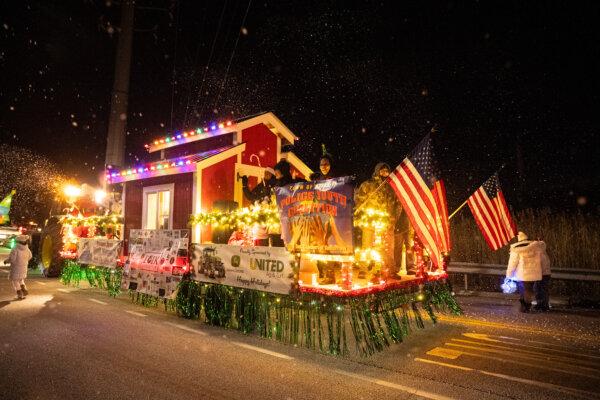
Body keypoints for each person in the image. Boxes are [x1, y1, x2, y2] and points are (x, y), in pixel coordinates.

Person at [354, 162, 401, 280]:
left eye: (386, 170)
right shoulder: (367, 185)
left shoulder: (392, 187)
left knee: (388, 247)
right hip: (369, 222)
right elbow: (359, 201)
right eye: (382, 170)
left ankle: (390, 270)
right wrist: (363, 216)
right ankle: (363, 269)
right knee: (367, 246)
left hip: (386, 223)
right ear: (377, 170)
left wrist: (393, 218)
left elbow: (398, 204)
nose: (384, 172)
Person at [506, 231, 544, 313]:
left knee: (524, 289)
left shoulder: (516, 250)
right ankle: (526, 305)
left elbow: (512, 263)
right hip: (534, 273)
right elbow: (542, 259)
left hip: (523, 273)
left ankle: (525, 306)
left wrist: (509, 274)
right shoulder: (536, 247)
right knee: (529, 289)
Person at [4, 234, 32, 300]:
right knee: (21, 279)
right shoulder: (27, 249)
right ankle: (24, 289)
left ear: (18, 241)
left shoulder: (15, 249)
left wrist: (6, 261)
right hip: (24, 267)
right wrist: (24, 261)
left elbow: (12, 259)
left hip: (16, 268)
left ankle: (20, 294)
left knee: (15, 281)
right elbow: (30, 256)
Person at [534, 239, 552, 311]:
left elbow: (538, 266)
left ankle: (541, 305)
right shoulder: (544, 254)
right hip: (546, 274)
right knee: (543, 290)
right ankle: (544, 305)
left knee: (538, 290)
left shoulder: (539, 255)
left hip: (541, 275)